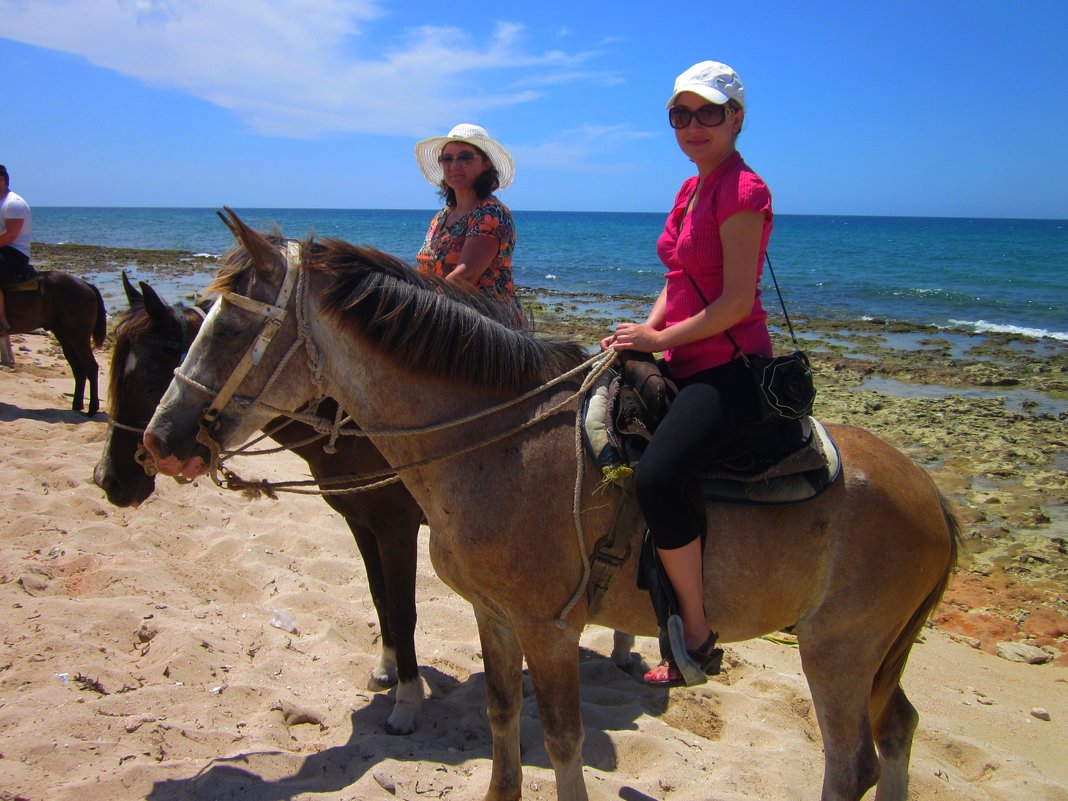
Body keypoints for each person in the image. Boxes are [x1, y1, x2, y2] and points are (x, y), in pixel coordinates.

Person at [601, 61, 774, 687]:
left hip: (731, 367)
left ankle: (696, 638)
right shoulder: (689, 188)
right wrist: (637, 338)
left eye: (707, 112)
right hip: (681, 354)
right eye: (681, 114)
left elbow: (733, 302)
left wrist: (660, 339)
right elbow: (677, 282)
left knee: (658, 476)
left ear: (736, 118)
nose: (692, 125)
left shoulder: (743, 192)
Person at [413, 124, 517, 301]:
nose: (455, 165)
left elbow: (464, 278)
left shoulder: (491, 214)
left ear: (486, 164)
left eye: (465, 157)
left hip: (486, 322)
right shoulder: (440, 218)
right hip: (442, 315)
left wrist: (413, 303)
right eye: (447, 158)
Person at [0, 164, 35, 334]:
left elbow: (9, 235)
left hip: (15, 252)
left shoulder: (14, 203)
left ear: (1, 180)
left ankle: (1, 320)